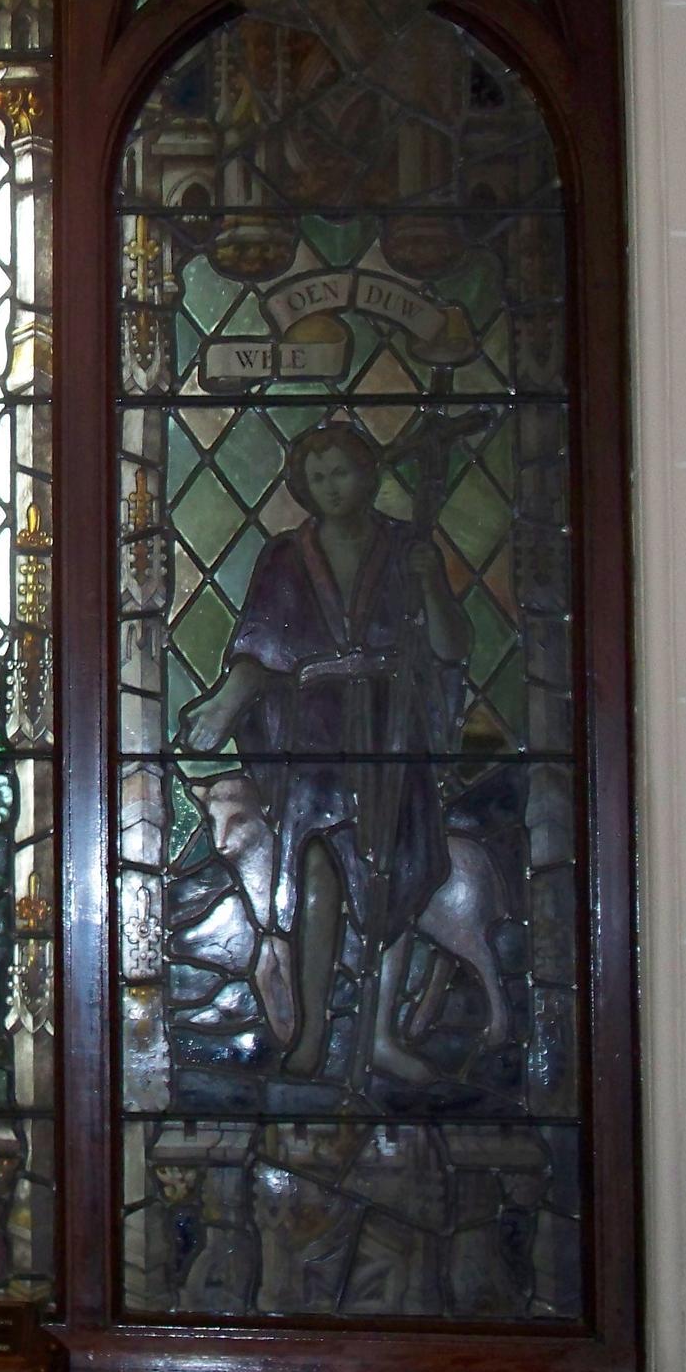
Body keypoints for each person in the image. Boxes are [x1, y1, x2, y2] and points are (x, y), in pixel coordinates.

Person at [179, 420, 471, 1087]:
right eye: (318, 477)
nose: (332, 487)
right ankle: (311, 1032)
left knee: (394, 874)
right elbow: (260, 647)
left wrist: (430, 584)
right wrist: (225, 704)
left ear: (370, 474)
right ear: (302, 488)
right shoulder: (288, 557)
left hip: (393, 732)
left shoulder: (407, 548)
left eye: (343, 472)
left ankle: (380, 1035)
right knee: (317, 868)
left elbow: (453, 646)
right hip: (313, 734)